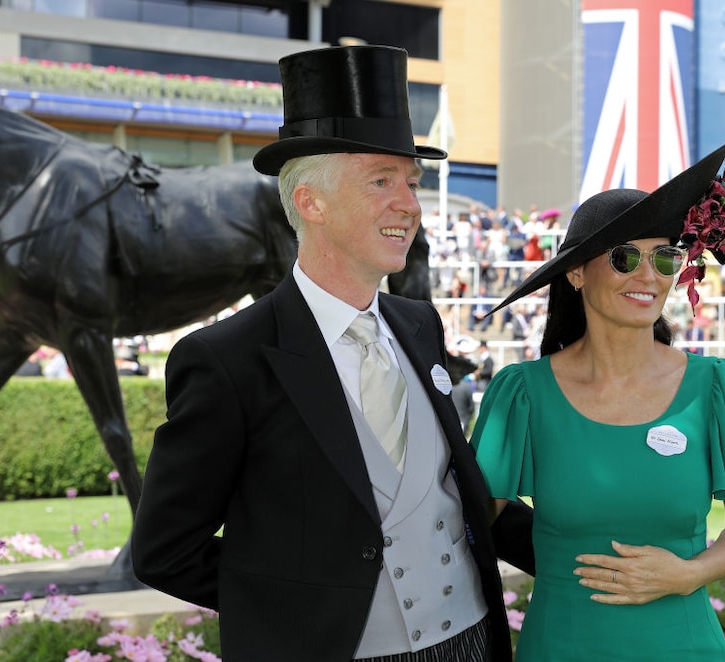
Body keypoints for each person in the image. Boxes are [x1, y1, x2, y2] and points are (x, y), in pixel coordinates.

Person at [132, 45, 533, 662]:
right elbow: (164, 551)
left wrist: (583, 553)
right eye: (381, 180)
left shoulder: (419, 322)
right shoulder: (226, 360)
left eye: (411, 181)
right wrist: (300, 608)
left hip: (474, 642)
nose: (410, 203)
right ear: (309, 203)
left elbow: (450, 489)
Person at [471, 143, 725, 660]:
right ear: (574, 273)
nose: (649, 275)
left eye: (664, 257)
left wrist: (689, 573)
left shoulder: (718, 387)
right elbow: (461, 524)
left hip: (685, 647)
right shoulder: (520, 394)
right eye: (625, 256)